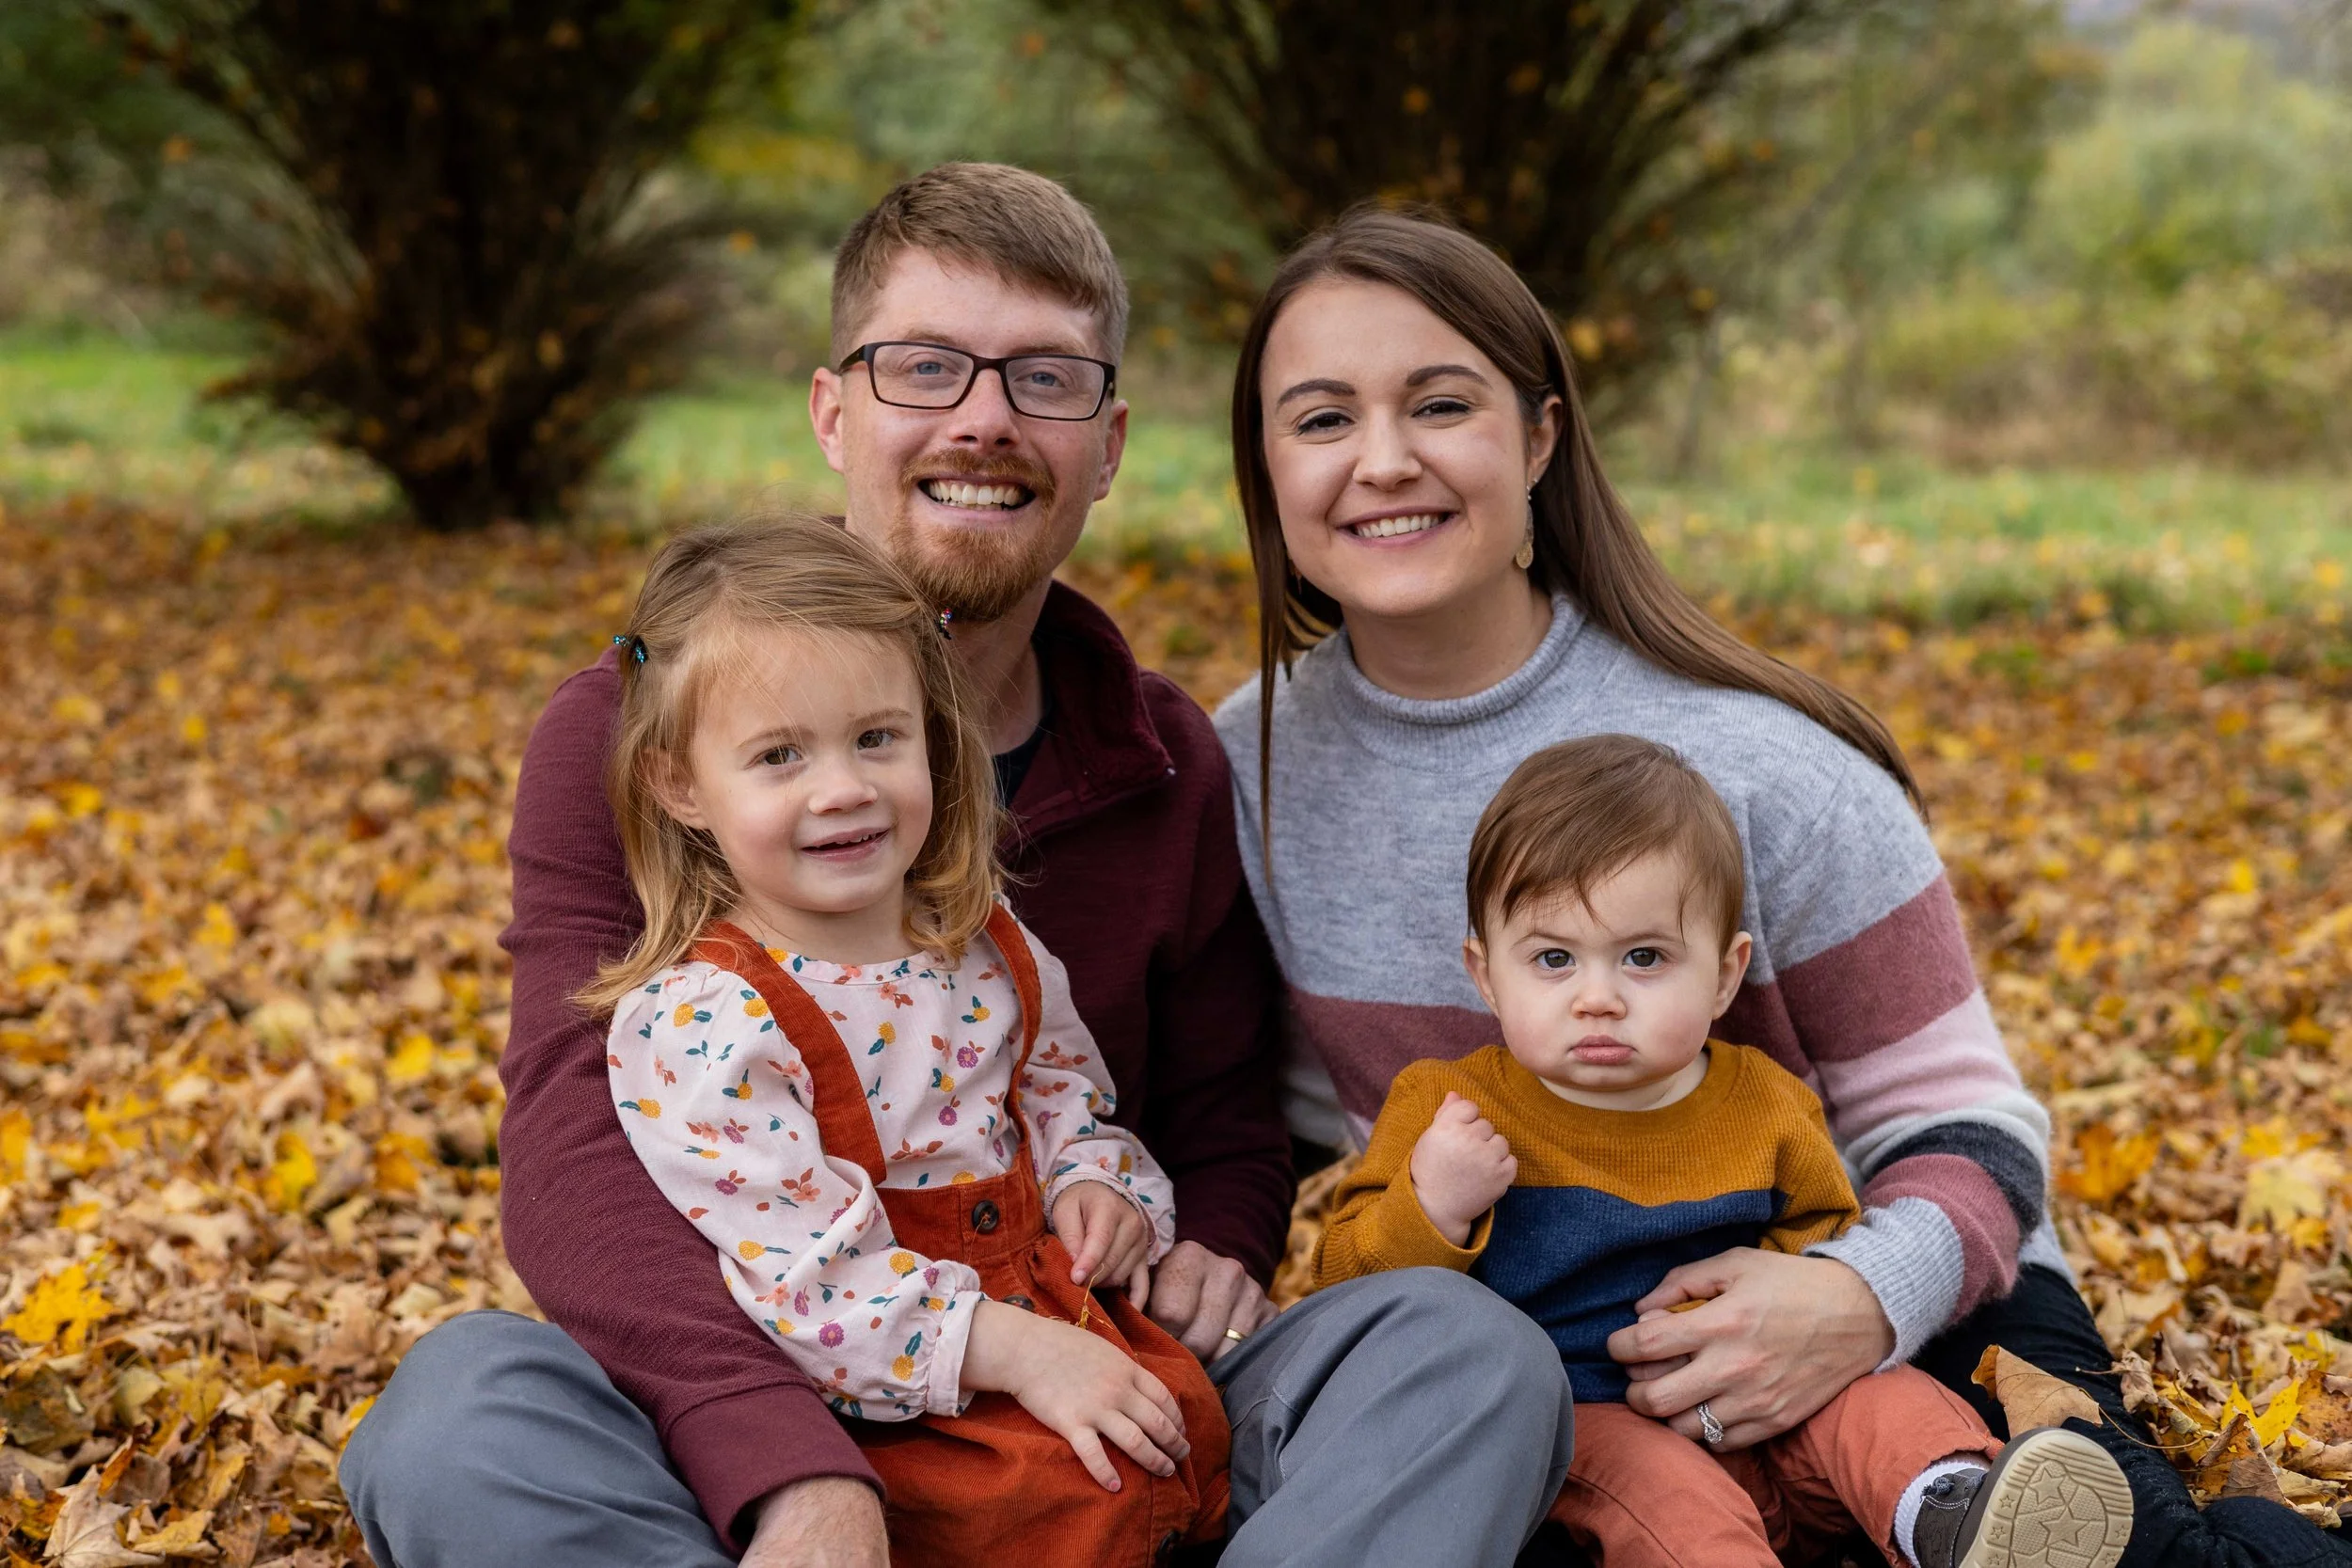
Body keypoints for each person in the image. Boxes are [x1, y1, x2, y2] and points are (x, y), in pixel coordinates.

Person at [342, 166, 1574, 1568]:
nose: (984, 418)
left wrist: (1195, 1247)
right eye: (925, 367)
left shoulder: (1167, 758)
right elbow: (573, 1160)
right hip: (753, 1379)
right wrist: (792, 1470)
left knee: (1463, 1355)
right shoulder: (629, 733)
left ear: (1107, 445)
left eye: (1043, 379)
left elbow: (1224, 1113)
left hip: (1090, 1374)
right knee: (456, 1414)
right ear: (833, 410)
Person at [1212, 204, 2348, 1568]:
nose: (1382, 460)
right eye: (1321, 418)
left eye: (1440, 403)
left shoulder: (1756, 762)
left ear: (1538, 437)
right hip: (1541, 1367)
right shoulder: (1248, 767)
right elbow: (1251, 1124)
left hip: (1895, 1302)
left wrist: (1854, 1297)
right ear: (1265, 466)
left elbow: (1970, 1126)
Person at [1314, 735, 2134, 1568]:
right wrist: (1433, 1206)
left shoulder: (1766, 1104)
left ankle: (1952, 1513)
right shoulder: (1448, 1108)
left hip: (1770, 1404)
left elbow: (1824, 1250)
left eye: (1644, 957)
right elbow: (1348, 1294)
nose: (1598, 998)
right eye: (1554, 959)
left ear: (1723, 975)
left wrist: (1792, 1301)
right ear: (1486, 976)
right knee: (1676, 1504)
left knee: (1884, 1402)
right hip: (1589, 1420)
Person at [591, 516, 1227, 1564]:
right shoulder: (708, 1019)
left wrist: (1099, 1183)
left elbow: (1064, 1094)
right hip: (910, 1411)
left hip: (1076, 1330)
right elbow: (806, 1279)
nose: (840, 786)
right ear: (681, 785)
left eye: (876, 737)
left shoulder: (982, 940)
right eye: (779, 754)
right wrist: (1015, 1347)